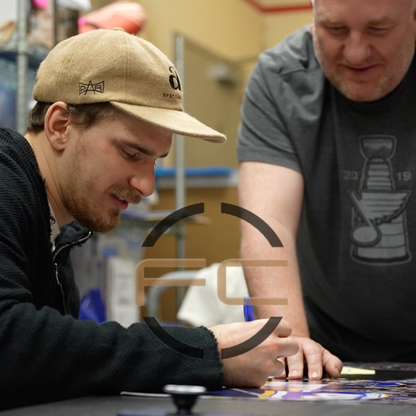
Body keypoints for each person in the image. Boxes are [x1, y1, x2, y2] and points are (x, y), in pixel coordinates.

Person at [0, 28, 299, 410]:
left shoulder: (57, 230)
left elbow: (54, 366)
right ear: (60, 125)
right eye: (130, 153)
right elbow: (8, 343)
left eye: (156, 161)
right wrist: (208, 351)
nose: (146, 185)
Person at [238, 0, 416, 380]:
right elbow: (267, 223)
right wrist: (294, 351)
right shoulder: (279, 78)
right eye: (334, 29)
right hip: (328, 348)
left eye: (378, 30)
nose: (355, 52)